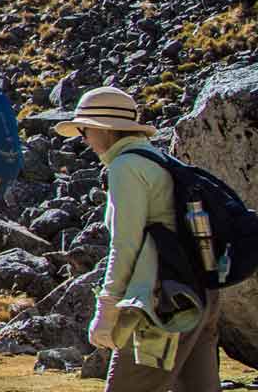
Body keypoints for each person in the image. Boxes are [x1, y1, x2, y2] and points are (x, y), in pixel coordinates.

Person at [56, 87, 222, 392]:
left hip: (162, 302)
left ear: (104, 129)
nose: (83, 138)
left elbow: (125, 245)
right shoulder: (157, 159)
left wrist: (106, 311)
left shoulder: (125, 168)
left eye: (85, 129)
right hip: (201, 291)